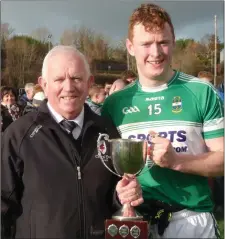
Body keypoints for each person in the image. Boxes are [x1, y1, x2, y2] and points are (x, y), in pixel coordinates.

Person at [102, 3, 224, 238]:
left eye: (163, 42)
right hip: (137, 220)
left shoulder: (201, 91)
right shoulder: (114, 104)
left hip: (192, 219)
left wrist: (177, 161)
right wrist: (121, 192)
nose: (156, 53)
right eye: (146, 44)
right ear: (130, 47)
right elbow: (107, 169)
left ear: (173, 42)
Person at [1, 45, 143, 239]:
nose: (68, 87)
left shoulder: (107, 131)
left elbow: (114, 197)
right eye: (59, 79)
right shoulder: (18, 136)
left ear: (89, 82)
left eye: (76, 78)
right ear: (43, 84)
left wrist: (123, 196)